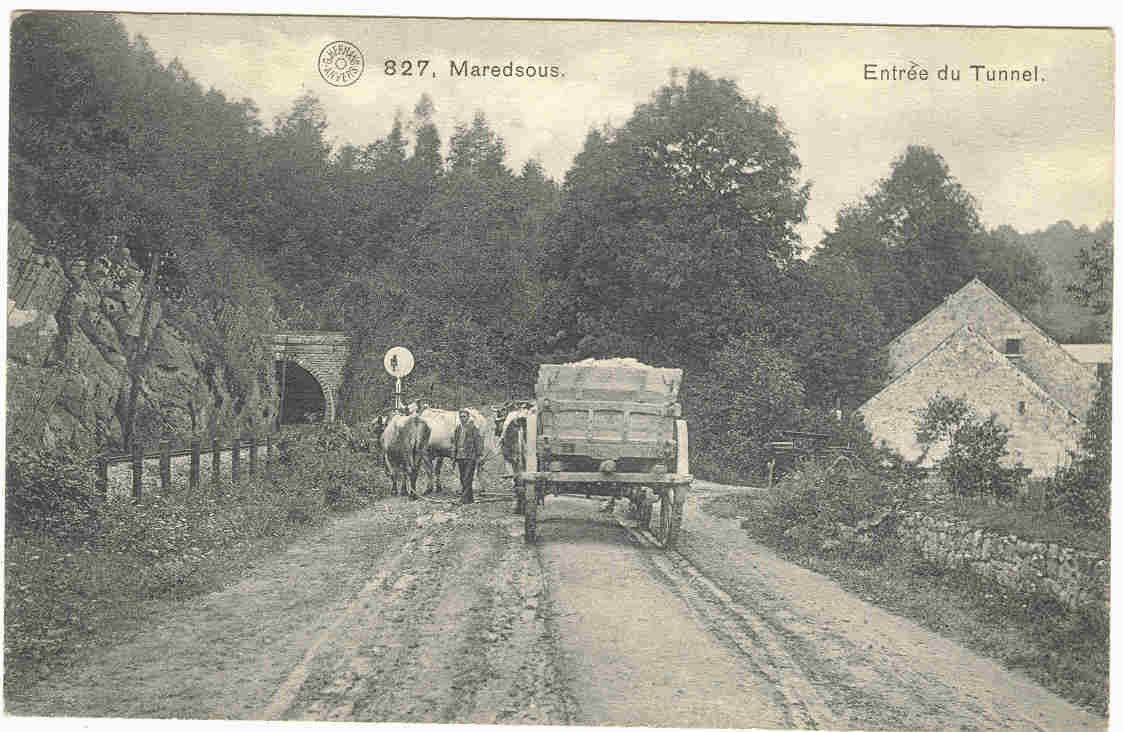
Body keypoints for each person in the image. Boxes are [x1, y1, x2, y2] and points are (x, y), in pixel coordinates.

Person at [452, 408, 483, 504]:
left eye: (464, 416)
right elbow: (455, 443)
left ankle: (463, 499)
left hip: (470, 457)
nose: (462, 418)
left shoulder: (473, 428)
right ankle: (470, 498)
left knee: (467, 477)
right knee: (462, 478)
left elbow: (478, 442)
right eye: (461, 417)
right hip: (460, 457)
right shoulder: (458, 429)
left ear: (468, 417)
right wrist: (454, 456)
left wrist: (479, 456)